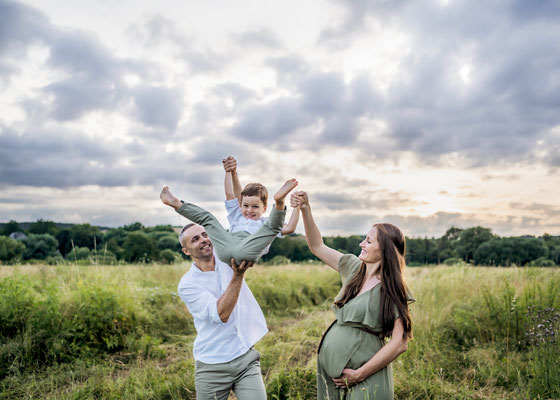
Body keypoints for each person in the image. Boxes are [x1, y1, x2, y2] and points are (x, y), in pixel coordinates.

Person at [291, 191, 414, 400]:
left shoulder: (393, 288)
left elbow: (400, 343)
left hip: (366, 378)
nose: (361, 245)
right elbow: (317, 246)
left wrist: (359, 374)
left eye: (368, 241)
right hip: (332, 377)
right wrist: (306, 209)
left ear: (383, 249)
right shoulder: (353, 268)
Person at [176, 222, 268, 400]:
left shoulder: (227, 257)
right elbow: (221, 314)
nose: (204, 240)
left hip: (244, 357)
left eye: (204, 235)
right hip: (212, 365)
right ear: (186, 251)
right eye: (195, 239)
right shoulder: (188, 284)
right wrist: (238, 275)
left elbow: (251, 237)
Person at [160, 157, 298, 265]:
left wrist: (297, 206)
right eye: (245, 206)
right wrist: (229, 172)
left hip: (247, 250)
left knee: (272, 227)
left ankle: (280, 202)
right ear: (241, 205)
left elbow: (290, 228)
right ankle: (176, 204)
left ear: (264, 208)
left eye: (255, 207)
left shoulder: (265, 223)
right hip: (226, 248)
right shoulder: (237, 216)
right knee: (208, 218)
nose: (249, 210)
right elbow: (230, 194)